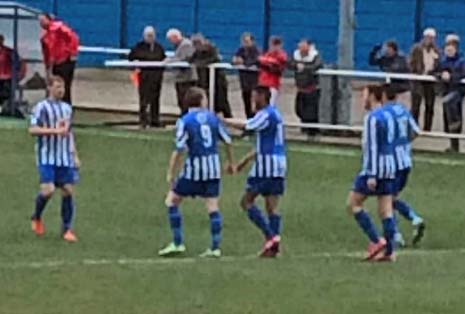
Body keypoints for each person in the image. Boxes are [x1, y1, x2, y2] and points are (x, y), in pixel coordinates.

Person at [159, 87, 234, 258]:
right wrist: (231, 163)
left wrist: (171, 172)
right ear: (201, 101)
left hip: (195, 170)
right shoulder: (213, 118)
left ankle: (178, 243)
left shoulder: (185, 121)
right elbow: (228, 141)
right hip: (213, 169)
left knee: (172, 201)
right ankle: (215, 247)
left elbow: (179, 148)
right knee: (212, 206)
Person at [224, 86, 286, 258]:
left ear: (262, 97)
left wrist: (224, 120)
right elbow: (262, 145)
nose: (253, 101)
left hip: (267, 166)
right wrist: (243, 162)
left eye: (255, 97)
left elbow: (247, 126)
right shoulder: (273, 115)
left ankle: (272, 237)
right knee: (272, 207)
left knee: (247, 202)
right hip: (278, 165)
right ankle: (274, 249)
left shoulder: (266, 114)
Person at [346, 85, 397, 262]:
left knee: (353, 203)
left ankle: (377, 241)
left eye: (365, 96)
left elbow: (372, 147)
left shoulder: (372, 118)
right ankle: (390, 251)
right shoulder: (389, 115)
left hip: (374, 169)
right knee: (386, 210)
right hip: (390, 167)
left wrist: (372, 174)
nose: (362, 100)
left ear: (373, 97)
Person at [29, 75, 80, 243]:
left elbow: (69, 133)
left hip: (65, 157)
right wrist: (53, 131)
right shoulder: (41, 108)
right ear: (49, 88)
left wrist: (75, 155)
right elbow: (33, 130)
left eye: (63, 87)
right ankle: (36, 216)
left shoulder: (67, 108)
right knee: (48, 190)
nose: (61, 90)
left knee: (68, 190)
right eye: (57, 87)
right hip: (47, 157)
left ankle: (67, 229)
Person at [381, 84, 426, 247]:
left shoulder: (383, 114)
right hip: (406, 161)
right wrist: (405, 143)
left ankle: (398, 233)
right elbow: (416, 131)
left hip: (391, 162)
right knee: (392, 198)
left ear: (385, 96)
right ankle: (413, 220)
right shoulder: (403, 111)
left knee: (387, 198)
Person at [129, 26, 166, 128]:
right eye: (148, 35)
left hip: (157, 78)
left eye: (152, 35)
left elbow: (163, 59)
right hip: (144, 77)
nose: (150, 37)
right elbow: (131, 57)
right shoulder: (139, 46)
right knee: (144, 100)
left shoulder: (159, 47)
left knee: (155, 99)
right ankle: (143, 120)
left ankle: (155, 120)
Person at [39, 14, 79, 105]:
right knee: (56, 84)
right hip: (56, 63)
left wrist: (71, 53)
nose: (41, 23)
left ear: (49, 19)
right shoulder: (45, 37)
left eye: (43, 20)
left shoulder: (59, 28)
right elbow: (47, 53)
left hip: (65, 61)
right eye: (40, 21)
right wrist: (47, 66)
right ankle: (56, 105)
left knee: (64, 85)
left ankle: (66, 107)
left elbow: (73, 38)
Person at [190, 34, 232, 117]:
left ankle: (229, 118)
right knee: (207, 99)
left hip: (218, 79)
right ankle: (209, 116)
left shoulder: (212, 48)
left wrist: (201, 63)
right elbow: (192, 59)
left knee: (222, 100)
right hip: (204, 80)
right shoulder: (197, 51)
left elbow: (214, 59)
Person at [435, 39, 465, 152]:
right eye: (447, 49)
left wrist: (451, 77)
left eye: (451, 50)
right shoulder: (442, 61)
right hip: (446, 92)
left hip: (457, 92)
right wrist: (440, 75)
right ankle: (453, 144)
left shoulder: (461, 61)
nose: (449, 51)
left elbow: (462, 74)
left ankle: (455, 143)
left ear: (456, 50)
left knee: (454, 115)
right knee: (448, 118)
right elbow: (434, 71)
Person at [289, 39, 323, 136]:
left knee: (311, 111)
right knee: (299, 109)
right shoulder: (296, 55)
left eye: (303, 46)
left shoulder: (315, 55)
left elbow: (317, 65)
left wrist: (304, 68)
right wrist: (296, 66)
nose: (301, 49)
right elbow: (289, 63)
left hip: (311, 87)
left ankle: (312, 131)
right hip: (300, 88)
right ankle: (304, 126)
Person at [410, 28, 440, 131]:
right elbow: (411, 62)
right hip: (418, 80)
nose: (430, 40)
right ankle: (414, 127)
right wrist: (415, 73)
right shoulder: (416, 49)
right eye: (428, 37)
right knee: (415, 105)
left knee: (430, 105)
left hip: (430, 81)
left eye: (432, 38)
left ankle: (427, 128)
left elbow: (439, 64)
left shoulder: (437, 50)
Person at [165, 29, 197, 115]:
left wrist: (170, 61)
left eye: (170, 39)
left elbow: (185, 58)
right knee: (181, 100)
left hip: (186, 79)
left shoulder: (186, 44)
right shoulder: (180, 45)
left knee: (185, 100)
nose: (170, 42)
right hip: (181, 78)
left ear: (175, 37)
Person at [233, 33, 260, 119]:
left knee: (254, 103)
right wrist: (236, 60)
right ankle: (248, 119)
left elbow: (255, 61)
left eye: (247, 41)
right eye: (244, 41)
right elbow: (235, 60)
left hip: (254, 82)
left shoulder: (256, 50)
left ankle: (255, 120)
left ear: (252, 41)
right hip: (244, 81)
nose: (245, 43)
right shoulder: (241, 49)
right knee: (246, 101)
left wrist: (243, 61)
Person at [258, 36, 288, 105]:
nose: (273, 47)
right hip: (263, 82)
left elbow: (277, 63)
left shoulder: (282, 55)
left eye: (276, 45)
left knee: (270, 104)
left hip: (273, 84)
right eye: (272, 45)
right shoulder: (268, 54)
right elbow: (261, 60)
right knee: (262, 104)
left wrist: (268, 62)